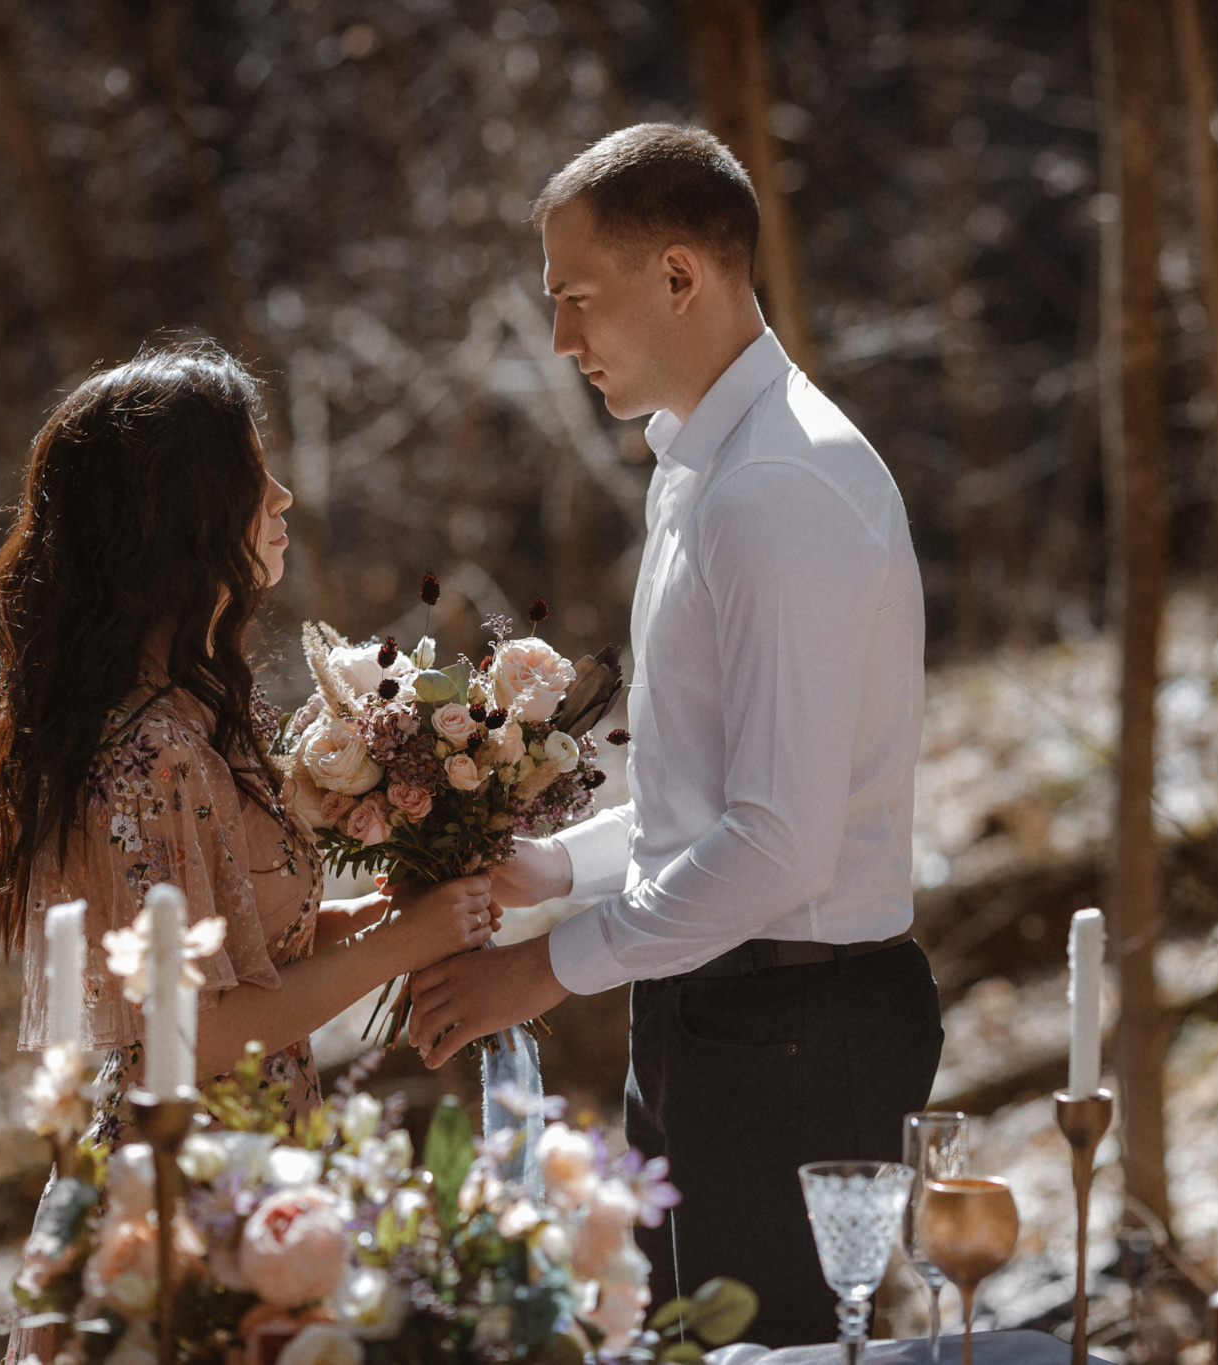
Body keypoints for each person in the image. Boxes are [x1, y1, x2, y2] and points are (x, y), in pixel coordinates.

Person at [407, 125, 943, 1345]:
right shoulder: (703, 471)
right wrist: (552, 868)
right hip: (720, 1013)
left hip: (796, 1034)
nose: (560, 341)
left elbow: (778, 846)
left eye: (575, 299)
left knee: (767, 1355)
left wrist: (541, 967)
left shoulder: (776, 490)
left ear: (682, 275)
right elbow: (701, 793)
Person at [0, 343, 497, 1359]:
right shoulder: (145, 755)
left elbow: (247, 954)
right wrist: (398, 943)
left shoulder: (190, 720)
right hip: (177, 1208)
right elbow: (197, 1035)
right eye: (257, 472)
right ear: (185, 513)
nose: (285, 495)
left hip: (252, 1167)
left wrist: (392, 915)